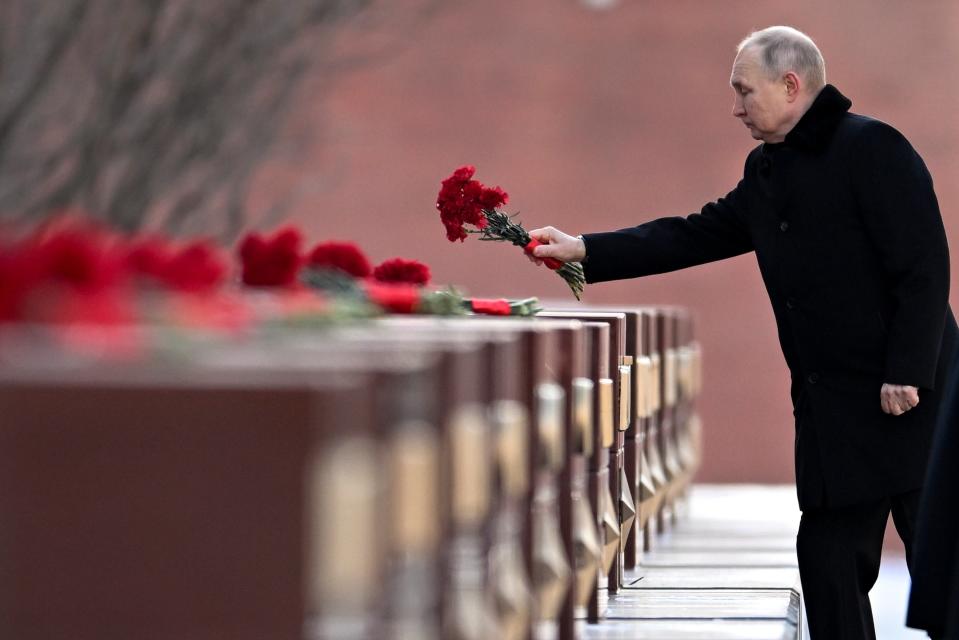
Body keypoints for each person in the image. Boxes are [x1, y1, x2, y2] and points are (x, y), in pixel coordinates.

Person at [527, 26, 957, 640]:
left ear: (791, 85)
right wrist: (583, 251)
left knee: (942, 566)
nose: (735, 108)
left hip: (911, 401)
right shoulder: (766, 170)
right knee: (830, 568)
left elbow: (924, 264)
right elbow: (692, 234)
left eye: (743, 92)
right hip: (832, 412)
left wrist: (908, 371)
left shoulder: (873, 148)